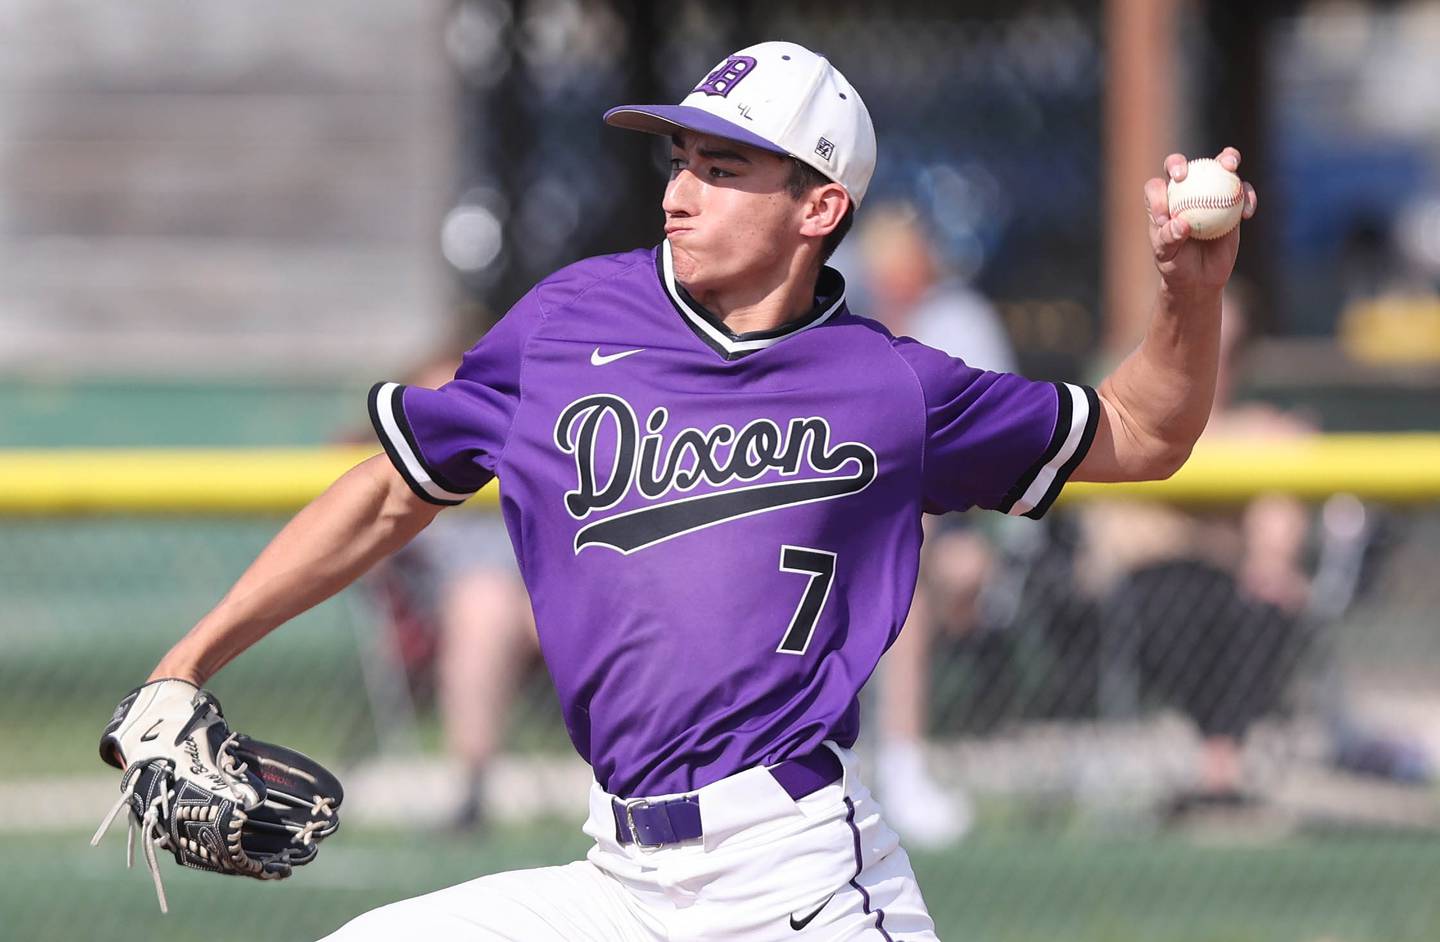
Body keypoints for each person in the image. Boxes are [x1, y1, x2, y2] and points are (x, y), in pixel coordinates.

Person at [103, 41, 1256, 940]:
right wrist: (182, 665)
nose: (681, 192)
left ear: (819, 209)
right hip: (614, 879)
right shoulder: (566, 326)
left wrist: (1186, 294)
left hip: (792, 878)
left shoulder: (889, 386)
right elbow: (388, 494)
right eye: (682, 161)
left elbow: (1145, 432)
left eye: (726, 166)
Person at [1077, 286, 1312, 813]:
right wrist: (1213, 528)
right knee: (1181, 592)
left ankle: (1220, 767)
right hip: (1154, 591)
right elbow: (1122, 541)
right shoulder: (1122, 413)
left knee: (1262, 599)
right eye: (1203, 343)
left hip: (1228, 590)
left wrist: (1263, 556)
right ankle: (1217, 766)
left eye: (1227, 350)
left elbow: (1277, 526)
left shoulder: (1260, 428)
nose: (1215, 362)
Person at [854, 203, 1020, 847]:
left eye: (904, 253)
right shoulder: (841, 318)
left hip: (959, 527)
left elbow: (993, 447)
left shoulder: (960, 321)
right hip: (849, 530)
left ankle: (902, 763)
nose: (891, 268)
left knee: (912, 555)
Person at [362, 350, 541, 832]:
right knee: (483, 603)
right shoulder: (399, 474)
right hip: (450, 608)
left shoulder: (527, 461)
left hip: (542, 597)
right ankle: (472, 793)